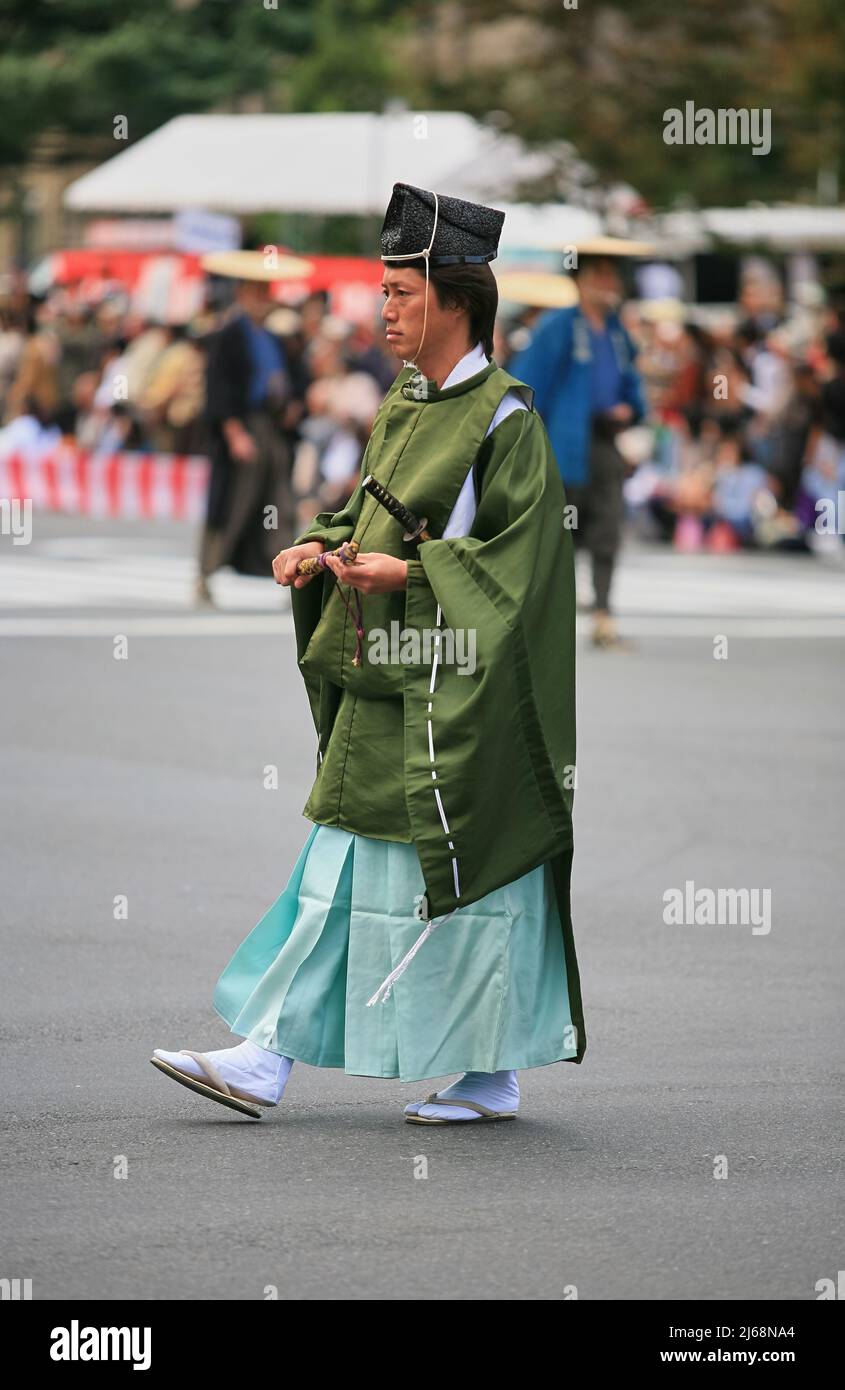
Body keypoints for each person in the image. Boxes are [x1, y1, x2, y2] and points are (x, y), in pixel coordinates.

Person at [151, 182, 585, 1125]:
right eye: (383, 291)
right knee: (340, 874)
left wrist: (413, 577)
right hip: (387, 676)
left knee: (466, 881)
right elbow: (364, 508)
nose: (381, 309)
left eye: (398, 291)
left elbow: (526, 568)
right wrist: (321, 544)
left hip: (458, 691)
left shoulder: (507, 420)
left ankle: (482, 1071)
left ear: (455, 300)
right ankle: (268, 1058)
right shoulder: (406, 401)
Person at [510, 247, 647, 647]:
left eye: (612, 275)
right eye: (601, 274)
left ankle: (603, 613)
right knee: (558, 533)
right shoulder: (558, 326)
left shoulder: (618, 331)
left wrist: (630, 409)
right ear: (581, 279)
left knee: (608, 526)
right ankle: (550, 616)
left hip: (605, 441)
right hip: (562, 444)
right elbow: (527, 386)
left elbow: (632, 386)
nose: (609, 284)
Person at [195, 256, 296, 604]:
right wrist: (234, 432)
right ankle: (205, 575)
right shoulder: (227, 335)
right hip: (243, 427)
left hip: (272, 428)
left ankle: (292, 576)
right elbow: (219, 389)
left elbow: (291, 380)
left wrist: (291, 405)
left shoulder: (272, 338)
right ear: (242, 293)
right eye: (256, 291)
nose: (263, 297)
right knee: (232, 505)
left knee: (280, 504)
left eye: (266, 290)